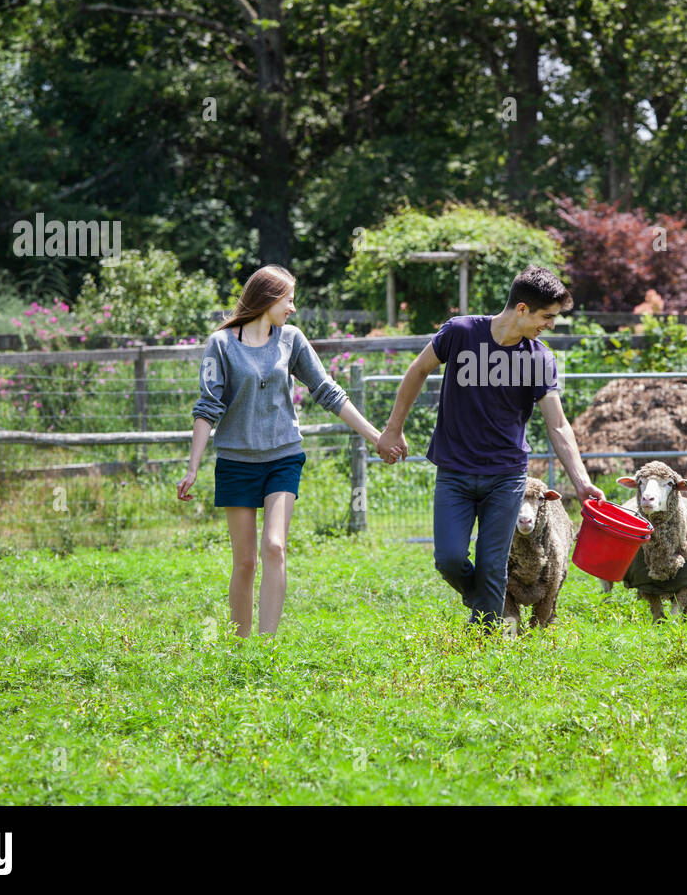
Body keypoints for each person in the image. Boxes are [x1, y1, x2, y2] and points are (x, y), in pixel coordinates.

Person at [375, 265, 604, 630]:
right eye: (548, 316)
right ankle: (487, 603)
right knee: (448, 559)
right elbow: (417, 370)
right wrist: (393, 430)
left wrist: (581, 480)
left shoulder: (539, 357)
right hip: (455, 470)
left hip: (507, 475)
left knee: (493, 563)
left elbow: (558, 423)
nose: (552, 325)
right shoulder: (461, 332)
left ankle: (486, 637)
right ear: (523, 309)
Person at [177, 265, 399, 637]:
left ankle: (267, 648)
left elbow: (329, 392)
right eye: (288, 299)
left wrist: (376, 438)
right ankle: (241, 648)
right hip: (235, 461)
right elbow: (207, 407)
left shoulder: (291, 339)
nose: (293, 308)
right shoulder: (221, 344)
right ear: (267, 299)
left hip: (283, 456)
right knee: (245, 561)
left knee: (275, 546)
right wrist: (193, 468)